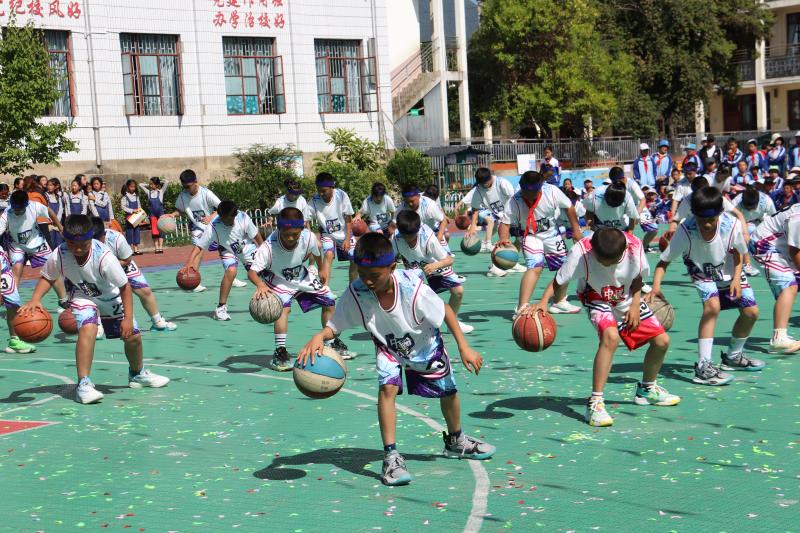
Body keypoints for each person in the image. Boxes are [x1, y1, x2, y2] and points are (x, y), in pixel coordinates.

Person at [298, 233, 495, 486]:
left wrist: (464, 347)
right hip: (388, 347)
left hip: (425, 344)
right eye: (362, 273)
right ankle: (390, 455)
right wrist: (320, 335)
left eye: (374, 275)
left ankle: (456, 440)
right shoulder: (358, 291)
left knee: (448, 392)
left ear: (391, 268)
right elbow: (336, 325)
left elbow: (445, 310)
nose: (368, 280)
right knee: (387, 389)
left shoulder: (412, 288)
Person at [531, 228, 678, 426]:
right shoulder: (581, 252)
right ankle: (595, 403)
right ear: (593, 249)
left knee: (662, 342)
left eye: (611, 262)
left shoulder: (635, 247)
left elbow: (637, 278)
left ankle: (647, 389)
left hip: (625, 295)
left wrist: (635, 304)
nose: (606, 265)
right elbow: (559, 280)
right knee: (611, 337)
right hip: (595, 296)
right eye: (601, 261)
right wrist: (543, 302)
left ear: (623, 251)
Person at [18, 214, 170, 404]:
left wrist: (128, 319)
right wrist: (35, 299)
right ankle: (84, 383)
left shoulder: (104, 257)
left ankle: (137, 373)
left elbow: (125, 287)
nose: (78, 249)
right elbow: (48, 277)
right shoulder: (60, 253)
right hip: (82, 295)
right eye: (73, 244)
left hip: (110, 296)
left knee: (133, 336)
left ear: (91, 239)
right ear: (65, 239)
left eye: (83, 244)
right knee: (88, 328)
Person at [647, 187, 764, 386]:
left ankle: (733, 357)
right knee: (712, 308)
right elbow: (662, 263)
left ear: (720, 213)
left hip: (729, 270)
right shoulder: (686, 230)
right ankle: (703, 367)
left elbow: (738, 253)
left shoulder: (732, 225)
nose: (707, 224)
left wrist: (736, 278)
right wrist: (656, 287)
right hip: (701, 271)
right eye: (702, 220)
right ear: (694, 214)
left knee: (751, 312)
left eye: (711, 219)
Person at [248, 207, 339, 369]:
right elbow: (252, 272)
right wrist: (260, 284)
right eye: (286, 234)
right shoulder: (268, 247)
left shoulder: (308, 237)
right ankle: (280, 351)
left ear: (302, 228)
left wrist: (321, 268)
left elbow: (316, 251)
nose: (290, 238)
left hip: (301, 276)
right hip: (278, 279)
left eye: (295, 234)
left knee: (329, 301)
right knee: (283, 309)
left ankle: (331, 342)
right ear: (278, 228)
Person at [496, 170, 582, 315]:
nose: (529, 196)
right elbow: (505, 223)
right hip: (530, 236)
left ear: (540, 187)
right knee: (535, 267)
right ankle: (522, 307)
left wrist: (576, 230)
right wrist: (503, 237)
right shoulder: (514, 201)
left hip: (552, 233)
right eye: (525, 192)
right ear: (521, 187)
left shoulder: (552, 191)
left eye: (532, 193)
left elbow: (569, 207)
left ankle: (559, 301)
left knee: (564, 268)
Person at [90, 217, 177, 333]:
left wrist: (110, 267)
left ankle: (157, 321)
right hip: (97, 271)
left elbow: (127, 260)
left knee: (144, 290)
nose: (95, 242)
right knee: (95, 295)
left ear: (104, 234)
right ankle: (97, 326)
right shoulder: (84, 243)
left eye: (98, 238)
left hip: (121, 264)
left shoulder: (117, 238)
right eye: (92, 239)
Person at [393, 210, 473, 333]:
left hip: (433, 263)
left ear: (418, 230)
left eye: (412, 236)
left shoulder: (428, 239)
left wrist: (435, 265)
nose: (408, 239)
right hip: (413, 266)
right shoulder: (395, 238)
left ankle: (453, 324)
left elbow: (449, 260)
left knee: (458, 291)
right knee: (413, 299)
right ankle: (413, 327)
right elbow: (388, 258)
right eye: (405, 236)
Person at [184, 200, 264, 321]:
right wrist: (189, 263)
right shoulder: (213, 227)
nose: (232, 221)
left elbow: (256, 235)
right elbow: (199, 246)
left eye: (233, 217)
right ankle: (221, 308)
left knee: (262, 273)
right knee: (231, 271)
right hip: (227, 249)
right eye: (228, 219)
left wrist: (263, 250)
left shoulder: (243, 217)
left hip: (246, 247)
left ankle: (275, 294)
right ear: (221, 217)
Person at [749, 202, 800, 353]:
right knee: (789, 286)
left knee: (792, 285)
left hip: (779, 247)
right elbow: (795, 251)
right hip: (763, 246)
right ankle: (779, 338)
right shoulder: (798, 218)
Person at [0, 191, 68, 305]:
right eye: (15, 209)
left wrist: (61, 227)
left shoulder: (35, 206)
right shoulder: (7, 213)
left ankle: (64, 300)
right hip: (17, 245)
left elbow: (49, 211)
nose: (17, 212)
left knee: (52, 268)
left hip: (37, 242)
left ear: (26, 205)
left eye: (20, 209)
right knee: (16, 269)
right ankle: (11, 300)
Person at [170, 169, 228, 293]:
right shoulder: (182, 195)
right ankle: (193, 280)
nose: (186, 189)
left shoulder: (206, 193)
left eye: (188, 186)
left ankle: (230, 276)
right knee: (199, 250)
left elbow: (222, 207)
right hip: (197, 228)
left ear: (195, 182)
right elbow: (180, 210)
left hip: (213, 226)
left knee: (225, 250)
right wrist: (172, 215)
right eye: (184, 187)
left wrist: (211, 216)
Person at [308, 172, 358, 284]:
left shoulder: (341, 195)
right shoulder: (314, 201)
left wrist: (347, 239)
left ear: (332, 187)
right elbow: (305, 218)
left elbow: (348, 218)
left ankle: (352, 286)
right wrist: (309, 236)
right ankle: (325, 288)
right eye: (318, 190)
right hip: (327, 234)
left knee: (355, 258)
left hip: (344, 232)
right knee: (328, 254)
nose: (321, 193)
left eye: (324, 191)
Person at [465, 168, 516, 277]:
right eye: (481, 184)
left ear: (490, 178)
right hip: (501, 217)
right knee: (502, 240)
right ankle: (496, 266)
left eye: (485, 183)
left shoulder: (502, 184)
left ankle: (511, 262)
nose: (483, 186)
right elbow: (475, 209)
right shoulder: (478, 190)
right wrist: (473, 226)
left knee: (520, 240)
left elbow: (515, 199)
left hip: (513, 213)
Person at [0, 247, 36, 354]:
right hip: (3, 276)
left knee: (14, 307)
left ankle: (14, 341)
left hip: (6, 275)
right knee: (14, 308)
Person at [140, 177, 168, 254]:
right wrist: (147, 184)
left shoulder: (161, 191)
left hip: (160, 213)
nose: (151, 185)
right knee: (154, 230)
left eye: (152, 184)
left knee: (161, 229)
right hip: (152, 214)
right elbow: (140, 185)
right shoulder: (149, 192)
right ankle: (156, 247)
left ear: (156, 184)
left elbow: (166, 182)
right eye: (150, 184)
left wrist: (159, 182)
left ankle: (160, 247)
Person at [120, 179, 143, 256]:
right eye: (131, 187)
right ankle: (130, 250)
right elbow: (123, 207)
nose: (133, 188)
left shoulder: (136, 196)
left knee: (137, 232)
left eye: (134, 187)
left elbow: (139, 206)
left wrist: (140, 212)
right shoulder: (125, 197)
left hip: (136, 216)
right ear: (128, 187)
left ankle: (136, 249)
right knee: (130, 232)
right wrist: (132, 210)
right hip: (129, 217)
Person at [45, 178, 65, 249]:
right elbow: (46, 209)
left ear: (56, 186)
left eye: (51, 185)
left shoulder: (58, 197)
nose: (49, 187)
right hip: (49, 223)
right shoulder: (45, 196)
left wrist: (57, 220)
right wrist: (51, 220)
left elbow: (60, 209)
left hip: (58, 224)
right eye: (48, 185)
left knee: (59, 243)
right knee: (50, 243)